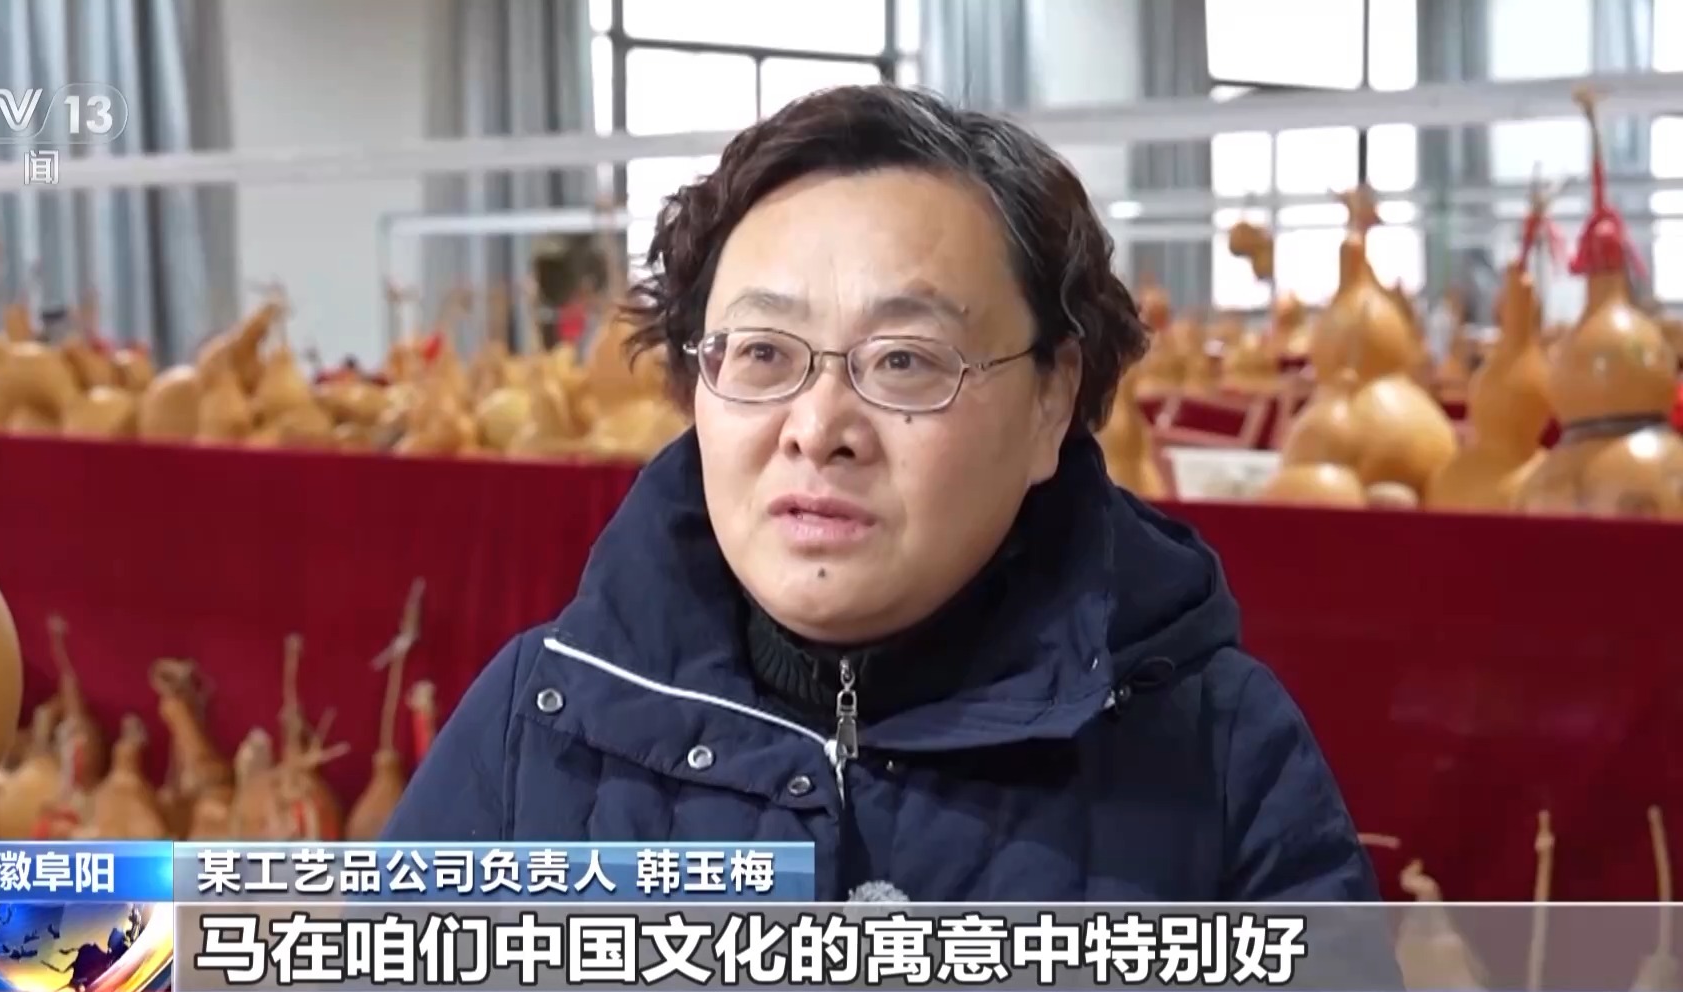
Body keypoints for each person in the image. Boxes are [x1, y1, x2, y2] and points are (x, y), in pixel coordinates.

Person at [383, 85, 1382, 905]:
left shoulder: (1221, 755)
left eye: (904, 360)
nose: (818, 425)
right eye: (763, 353)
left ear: (1052, 399)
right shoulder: (537, 724)